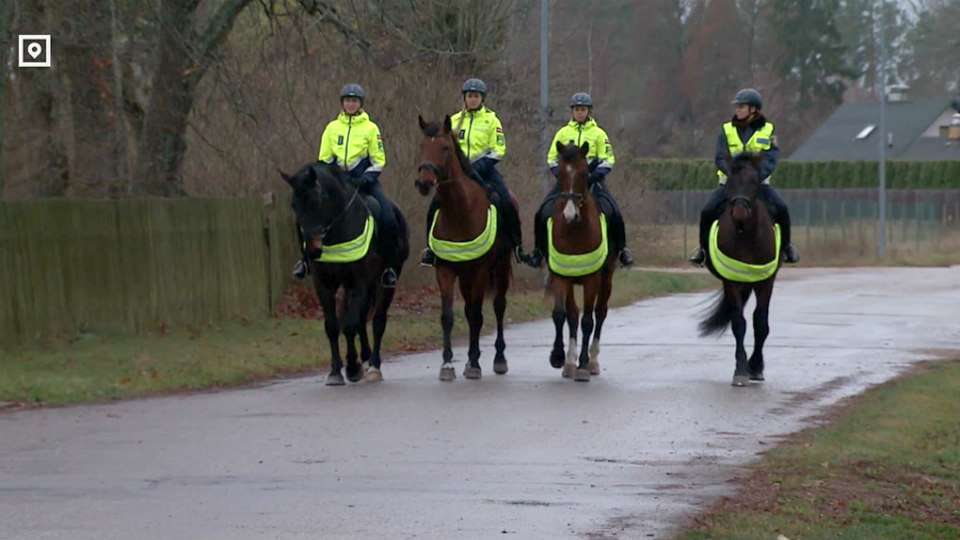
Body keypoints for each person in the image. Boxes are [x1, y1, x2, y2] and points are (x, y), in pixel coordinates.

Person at [293, 83, 401, 288]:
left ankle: (388, 268)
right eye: (347, 100)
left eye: (354, 101)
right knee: (308, 215)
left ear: (360, 104)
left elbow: (379, 160)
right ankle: (305, 262)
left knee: (387, 216)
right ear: (342, 103)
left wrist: (364, 179)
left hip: (364, 182)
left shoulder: (371, 128)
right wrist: (332, 179)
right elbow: (323, 160)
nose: (351, 104)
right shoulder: (332, 128)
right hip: (336, 185)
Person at [419, 77, 528, 267]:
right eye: (469, 96)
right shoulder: (452, 121)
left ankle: (517, 246)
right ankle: (431, 250)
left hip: (485, 171)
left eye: (476, 96)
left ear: (482, 98)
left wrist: (480, 165)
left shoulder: (491, 121)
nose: (472, 100)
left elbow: (498, 149)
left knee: (507, 201)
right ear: (464, 98)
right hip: (457, 174)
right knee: (433, 208)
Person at [688, 88, 799, 266]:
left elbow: (771, 158)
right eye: (737, 107)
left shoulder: (769, 129)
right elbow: (719, 156)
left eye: (741, 106)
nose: (737, 110)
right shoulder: (726, 129)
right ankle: (703, 250)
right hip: (729, 184)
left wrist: (754, 176)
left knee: (782, 208)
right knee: (707, 210)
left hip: (759, 184)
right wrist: (732, 175)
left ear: (753, 109)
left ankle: (786, 248)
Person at [525, 92, 634, 269]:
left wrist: (593, 176)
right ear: (572, 111)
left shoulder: (598, 134)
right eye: (577, 109)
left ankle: (622, 251)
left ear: (589, 111)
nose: (580, 113)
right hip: (567, 182)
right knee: (542, 212)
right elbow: (552, 158)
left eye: (583, 109)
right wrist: (561, 176)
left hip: (591, 180)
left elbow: (608, 159)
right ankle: (538, 252)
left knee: (613, 210)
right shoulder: (562, 133)